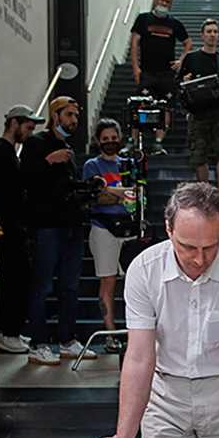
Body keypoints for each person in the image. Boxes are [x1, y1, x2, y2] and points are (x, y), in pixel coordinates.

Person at [91, 183, 219, 438]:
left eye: (210, 247)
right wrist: (123, 437)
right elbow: (139, 356)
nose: (199, 259)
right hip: (164, 395)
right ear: (169, 229)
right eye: (188, 247)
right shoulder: (144, 270)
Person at [22, 96, 94, 366]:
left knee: (70, 286)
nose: (74, 120)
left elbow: (66, 188)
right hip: (46, 227)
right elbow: (26, 178)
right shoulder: (36, 143)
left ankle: (67, 340)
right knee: (42, 285)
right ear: (55, 116)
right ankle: (37, 343)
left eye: (76, 116)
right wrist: (49, 161)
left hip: (71, 225)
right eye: (69, 115)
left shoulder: (68, 149)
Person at [0, 103, 44, 354]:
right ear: (14, 123)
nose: (29, 132)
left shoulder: (12, 153)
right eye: (27, 127)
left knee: (18, 277)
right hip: (4, 226)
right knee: (11, 278)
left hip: (15, 225)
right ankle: (7, 333)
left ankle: (12, 330)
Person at [82, 119, 137, 352]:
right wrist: (122, 193)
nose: (110, 143)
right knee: (108, 281)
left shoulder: (128, 163)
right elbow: (95, 195)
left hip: (129, 229)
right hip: (103, 228)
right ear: (98, 141)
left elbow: (137, 192)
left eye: (114, 138)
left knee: (135, 282)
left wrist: (111, 192)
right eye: (105, 139)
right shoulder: (91, 166)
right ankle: (110, 334)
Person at [178, 18, 219, 193]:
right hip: (197, 114)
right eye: (209, 31)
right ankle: (205, 193)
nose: (212, 35)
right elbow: (179, 85)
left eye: (215, 31)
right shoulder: (191, 58)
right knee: (199, 155)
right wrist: (186, 103)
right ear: (202, 35)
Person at [130, 0, 192, 150]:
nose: (163, 4)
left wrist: (181, 60)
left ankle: (158, 143)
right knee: (139, 105)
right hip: (147, 73)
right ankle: (134, 142)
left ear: (170, 5)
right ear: (156, 0)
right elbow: (134, 43)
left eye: (167, 2)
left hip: (167, 75)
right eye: (162, 0)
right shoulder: (143, 19)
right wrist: (136, 67)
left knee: (166, 107)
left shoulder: (175, 23)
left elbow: (188, 43)